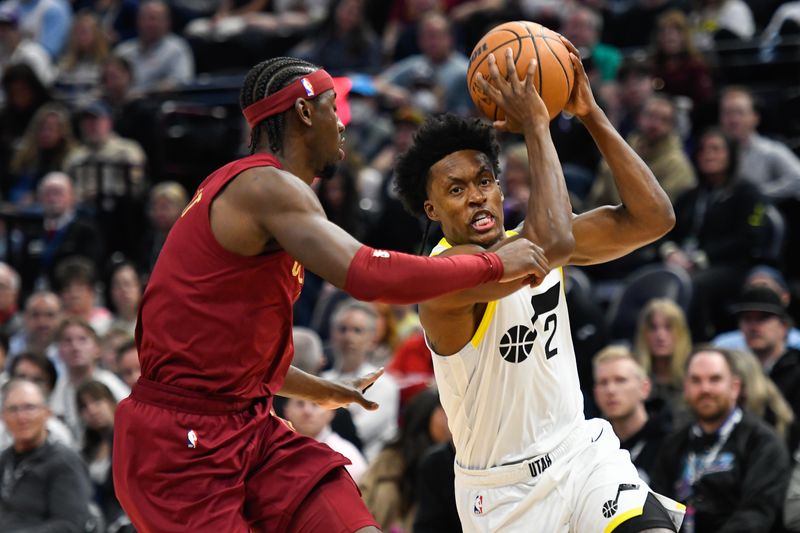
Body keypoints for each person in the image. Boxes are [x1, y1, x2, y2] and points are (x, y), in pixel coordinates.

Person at [112, 56, 547, 533]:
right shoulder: (264, 186)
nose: (343, 121)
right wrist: (493, 263)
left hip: (247, 424)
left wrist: (320, 389)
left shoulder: (267, 191)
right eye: (331, 105)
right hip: (180, 444)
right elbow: (366, 274)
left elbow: (222, 349)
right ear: (302, 112)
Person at [392, 42, 683, 532]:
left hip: (581, 455)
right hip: (503, 496)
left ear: (502, 187)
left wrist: (591, 114)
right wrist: (537, 124)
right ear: (433, 211)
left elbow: (655, 218)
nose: (477, 198)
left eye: (484, 181)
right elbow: (549, 243)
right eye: (456, 190)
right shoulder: (443, 276)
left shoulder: (532, 237)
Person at [650, 347, 790, 532]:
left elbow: (757, 513)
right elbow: (656, 508)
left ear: (735, 387)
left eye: (714, 379)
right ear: (686, 388)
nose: (705, 388)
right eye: (696, 380)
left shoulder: (762, 442)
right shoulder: (674, 443)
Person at [0, 378, 94, 530]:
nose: (21, 417)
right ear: (3, 417)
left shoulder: (65, 461)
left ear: (47, 413)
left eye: (29, 408)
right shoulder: (4, 460)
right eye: (13, 409)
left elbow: (69, 525)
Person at [322, 299, 400, 460]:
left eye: (357, 330)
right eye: (342, 329)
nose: (348, 336)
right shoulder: (322, 379)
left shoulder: (384, 384)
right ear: (332, 334)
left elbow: (358, 432)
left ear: (372, 339)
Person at [593, 346, 671, 484]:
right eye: (603, 382)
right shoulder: (592, 447)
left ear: (644, 388)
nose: (610, 390)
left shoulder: (671, 441)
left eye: (620, 380)